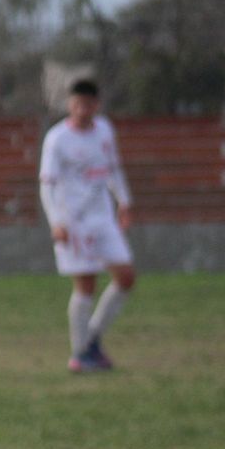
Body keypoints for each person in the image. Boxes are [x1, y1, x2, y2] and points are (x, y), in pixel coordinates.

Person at [39, 79, 136, 374]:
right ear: (70, 105)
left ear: (97, 105)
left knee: (126, 277)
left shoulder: (105, 130)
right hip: (74, 222)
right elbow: (47, 186)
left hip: (103, 217)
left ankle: (89, 339)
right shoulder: (57, 139)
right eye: (76, 104)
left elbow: (113, 168)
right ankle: (80, 354)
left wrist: (124, 201)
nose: (82, 110)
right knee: (87, 284)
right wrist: (56, 222)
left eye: (88, 105)